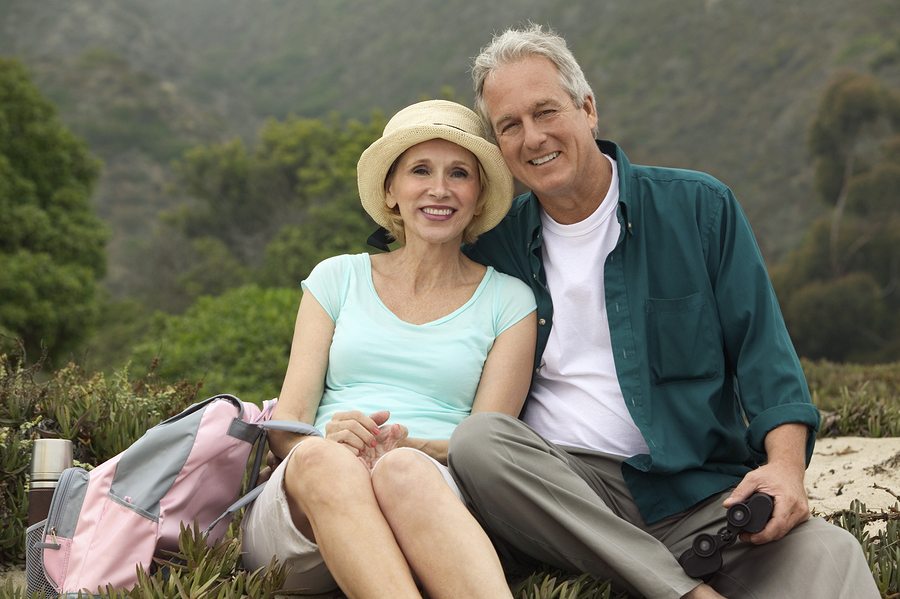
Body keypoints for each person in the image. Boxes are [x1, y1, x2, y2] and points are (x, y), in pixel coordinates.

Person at [447, 24, 880, 599]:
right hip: (565, 498)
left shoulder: (699, 208)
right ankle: (684, 592)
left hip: (699, 499)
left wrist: (784, 467)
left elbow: (766, 359)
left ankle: (651, 575)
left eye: (546, 112)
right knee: (479, 443)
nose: (532, 138)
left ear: (588, 108)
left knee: (830, 553)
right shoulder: (492, 247)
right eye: (510, 126)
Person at [241, 99, 537, 598]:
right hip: (308, 511)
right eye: (420, 170)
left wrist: (405, 448)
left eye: (459, 174)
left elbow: (488, 450)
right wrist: (334, 440)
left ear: (478, 196)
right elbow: (287, 429)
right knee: (322, 459)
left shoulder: (510, 302)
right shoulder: (336, 279)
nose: (439, 189)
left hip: (430, 497)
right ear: (391, 191)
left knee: (403, 470)